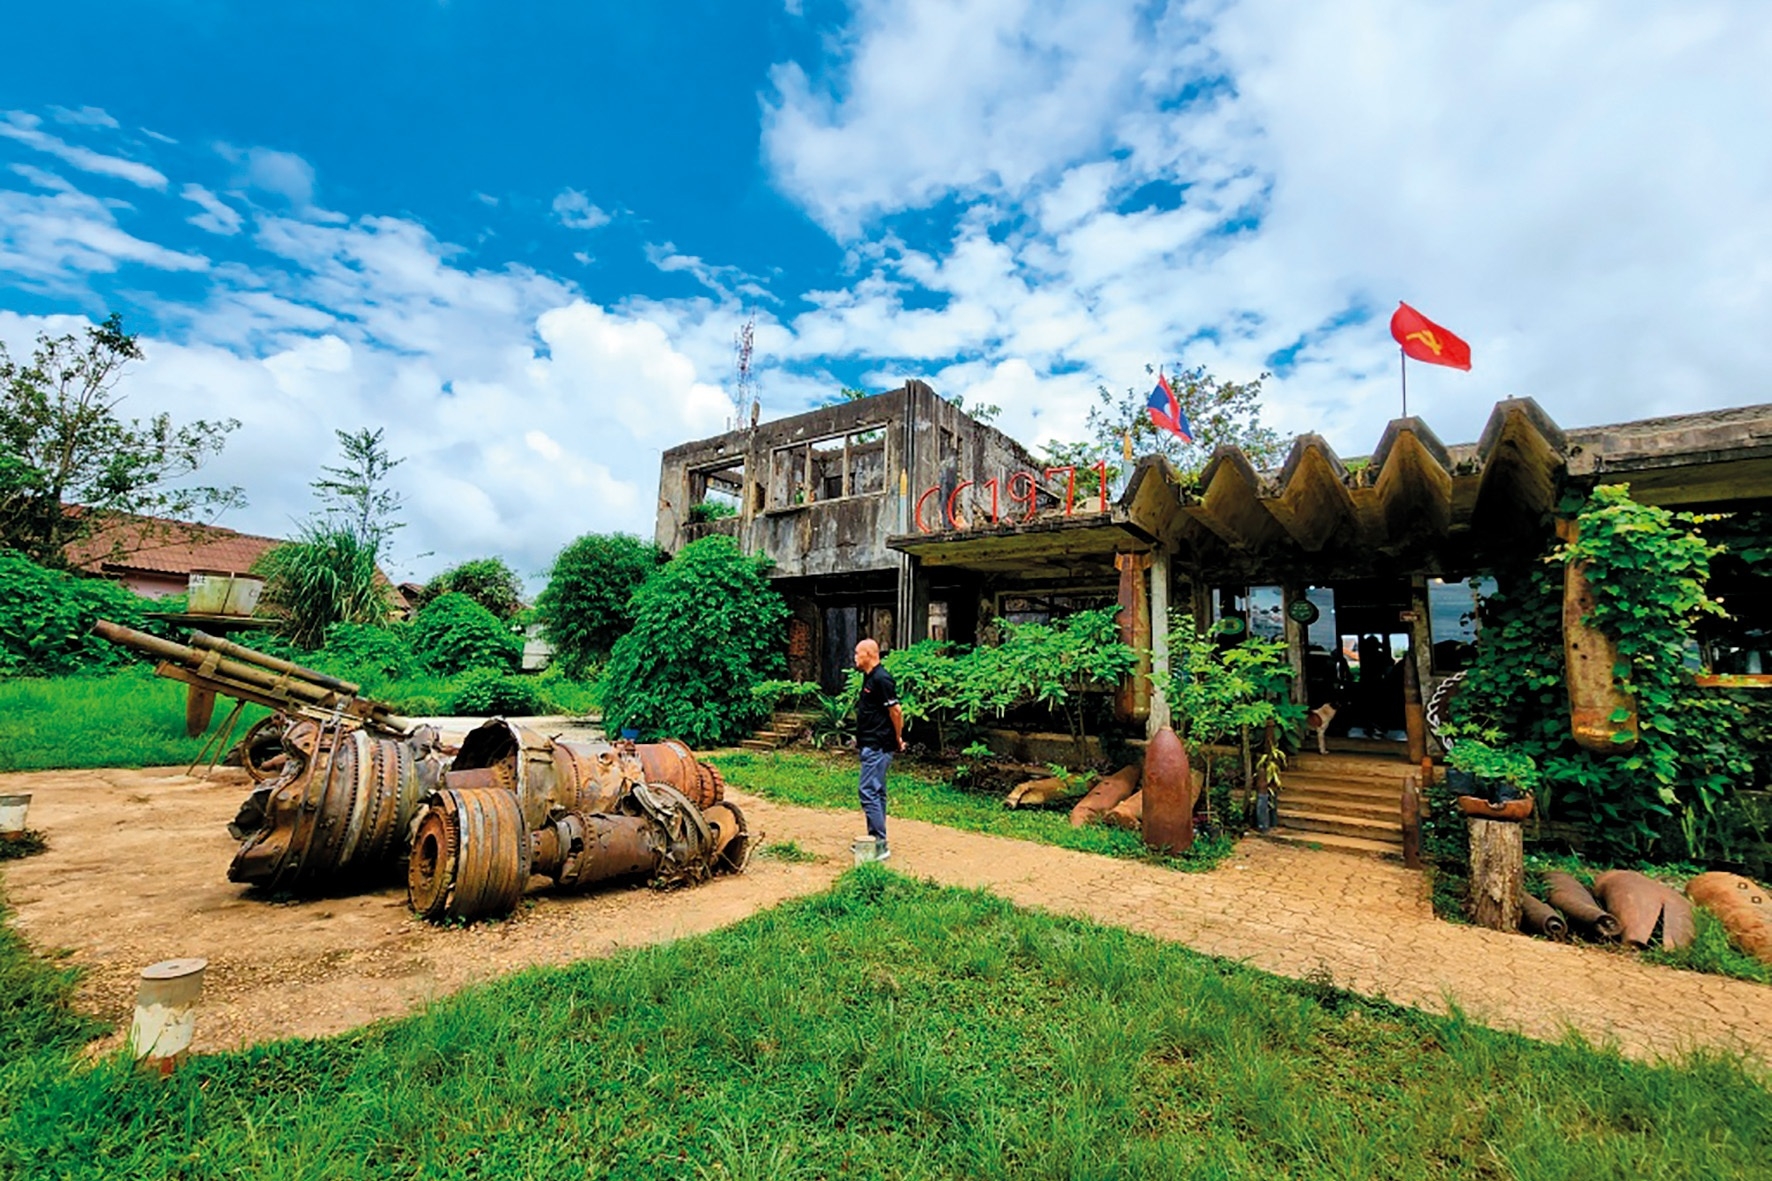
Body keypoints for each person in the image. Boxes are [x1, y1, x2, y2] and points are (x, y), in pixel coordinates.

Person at [853, 638, 905, 859]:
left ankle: (879, 843)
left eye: (857, 653)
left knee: (867, 791)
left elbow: (896, 711)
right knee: (877, 792)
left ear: (868, 654)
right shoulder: (870, 677)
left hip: (878, 745)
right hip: (870, 743)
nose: (855, 657)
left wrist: (898, 737)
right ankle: (876, 840)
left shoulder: (882, 679)